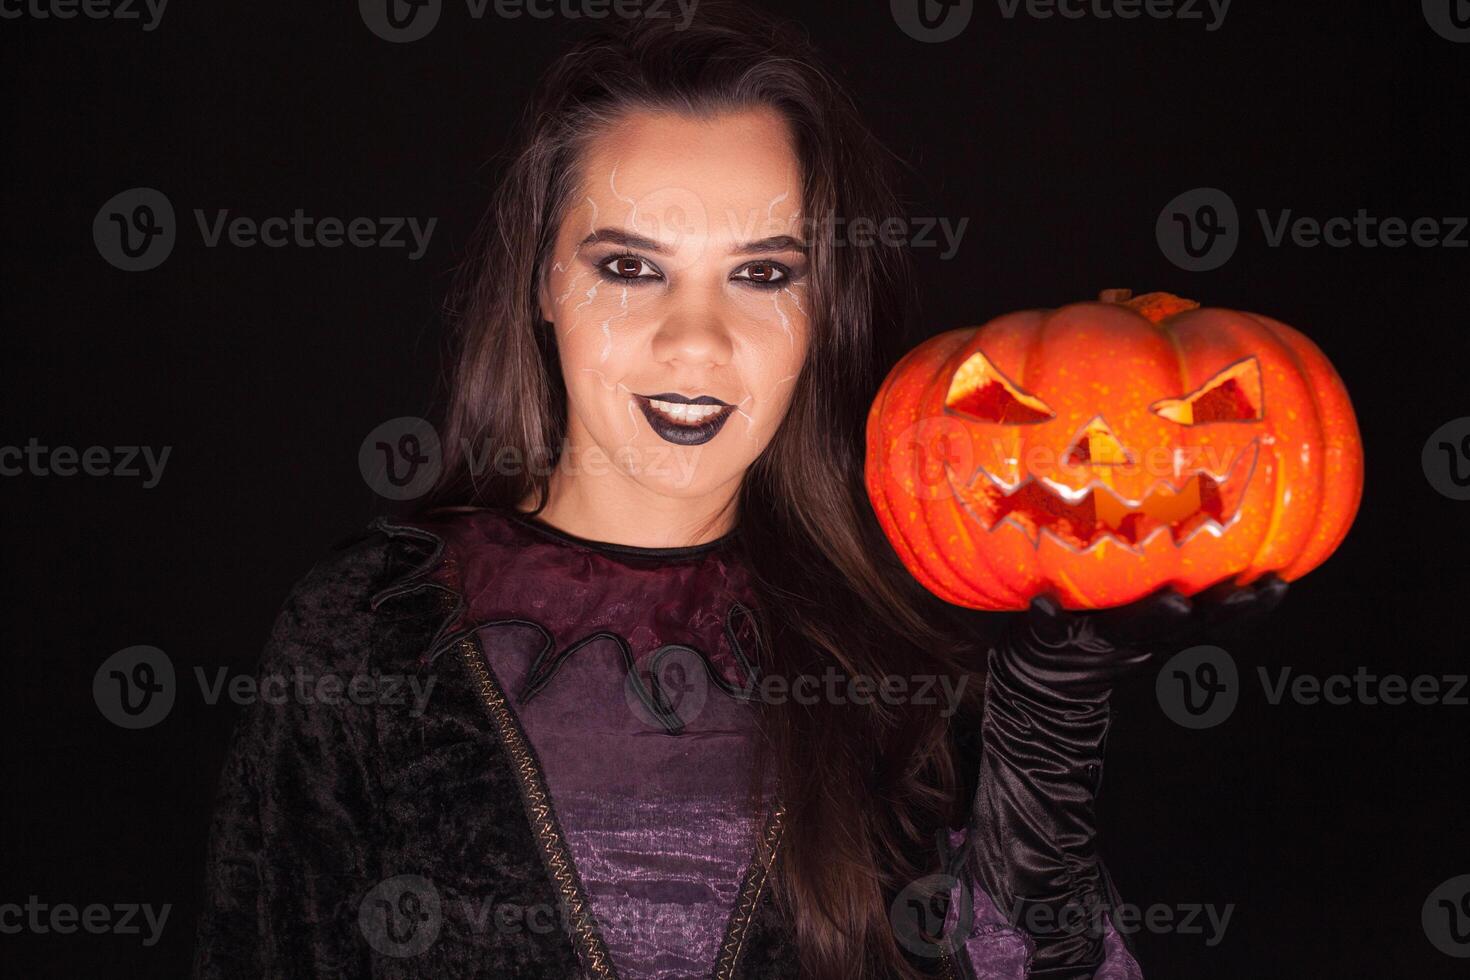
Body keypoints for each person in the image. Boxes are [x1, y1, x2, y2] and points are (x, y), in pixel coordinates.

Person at [193, 6, 1283, 978]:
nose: (696, 340)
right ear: (542, 283)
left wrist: (1047, 726)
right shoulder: (367, 632)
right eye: (630, 266)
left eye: (762, 273)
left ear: (822, 309)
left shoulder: (904, 654)